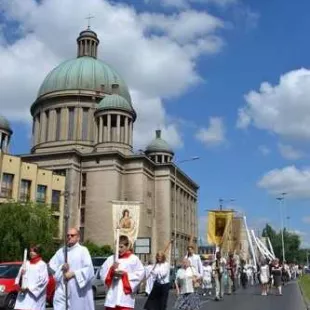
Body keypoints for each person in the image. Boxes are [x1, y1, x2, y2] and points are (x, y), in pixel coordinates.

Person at [49, 228, 95, 310]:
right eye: (68, 235)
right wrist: (61, 268)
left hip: (77, 289)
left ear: (78, 237)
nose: (69, 237)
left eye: (72, 235)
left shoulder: (83, 251)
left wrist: (73, 274)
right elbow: (51, 266)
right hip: (62, 289)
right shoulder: (61, 251)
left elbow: (89, 270)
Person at [101, 235, 145, 310]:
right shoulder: (110, 259)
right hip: (112, 296)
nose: (119, 250)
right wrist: (111, 271)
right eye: (117, 247)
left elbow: (140, 273)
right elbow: (102, 273)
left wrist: (125, 275)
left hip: (125, 297)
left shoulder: (133, 259)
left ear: (127, 246)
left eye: (121, 247)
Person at [14, 245, 49, 310]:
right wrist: (21, 275)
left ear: (38, 253)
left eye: (34, 251)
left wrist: (29, 288)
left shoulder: (42, 264)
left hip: (34, 295)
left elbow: (44, 281)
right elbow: (18, 277)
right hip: (23, 293)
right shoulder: (26, 263)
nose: (31, 253)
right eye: (30, 251)